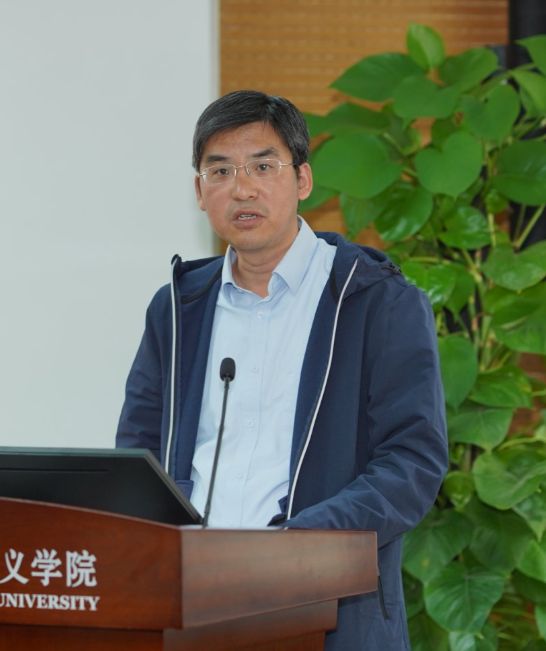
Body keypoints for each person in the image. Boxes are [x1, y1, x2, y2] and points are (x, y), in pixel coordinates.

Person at [116, 90, 448, 650]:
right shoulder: (177, 309)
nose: (242, 188)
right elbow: (140, 451)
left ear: (303, 180)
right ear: (199, 191)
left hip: (325, 608)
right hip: (189, 606)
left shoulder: (374, 300)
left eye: (263, 166)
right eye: (220, 171)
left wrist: (301, 542)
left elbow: (412, 461)